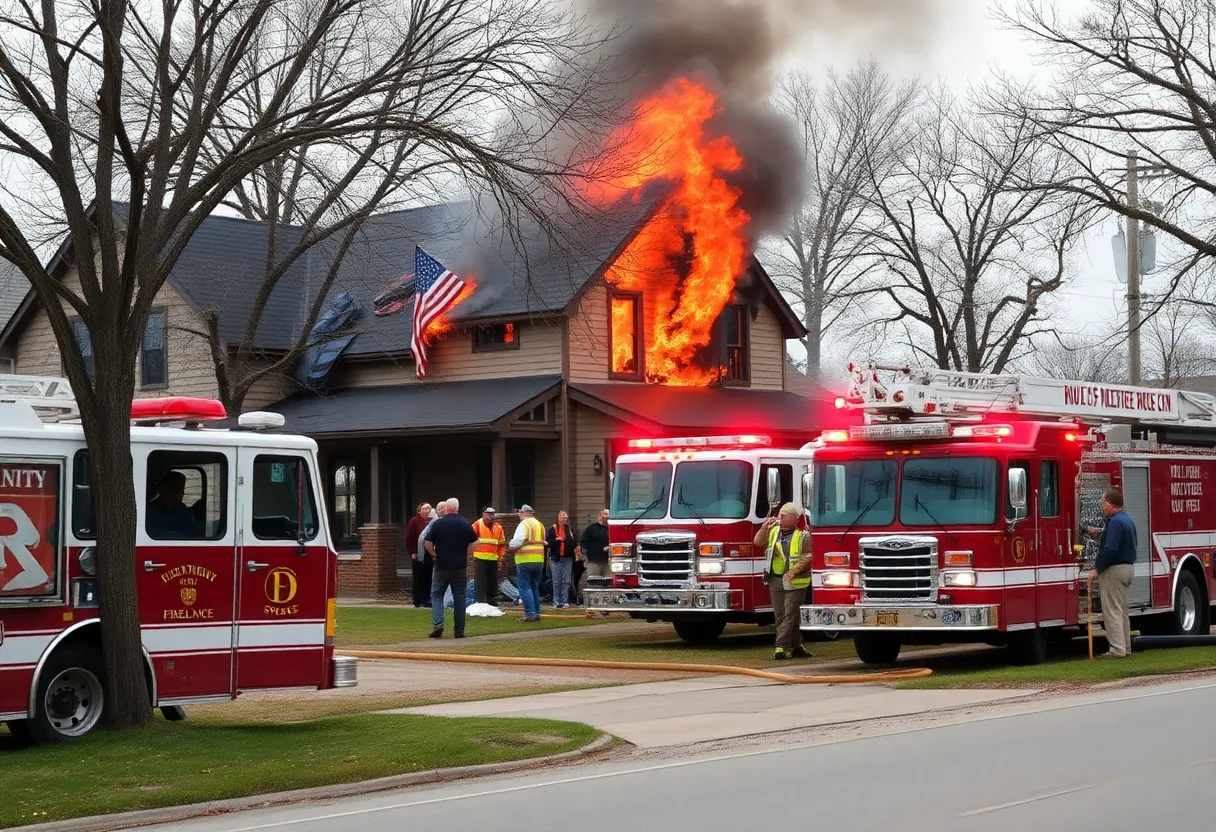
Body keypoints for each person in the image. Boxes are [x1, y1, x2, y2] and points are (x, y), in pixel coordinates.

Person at [753, 503, 812, 660]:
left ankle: (780, 646)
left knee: (790, 614)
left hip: (796, 581)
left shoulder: (803, 535)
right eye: (779, 515)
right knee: (780, 614)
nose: (780, 518)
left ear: (793, 519)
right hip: (775, 579)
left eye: (783, 516)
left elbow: (809, 556)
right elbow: (758, 542)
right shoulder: (773, 532)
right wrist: (764, 527)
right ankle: (796, 646)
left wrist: (794, 570)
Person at [1087, 488, 1137, 659]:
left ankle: (1116, 649)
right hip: (1127, 568)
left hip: (1114, 571)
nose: (1102, 507)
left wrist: (1096, 569)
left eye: (1103, 504)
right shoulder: (1127, 520)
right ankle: (1125, 647)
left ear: (1108, 504)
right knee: (1122, 610)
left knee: (1112, 611)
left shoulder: (1114, 522)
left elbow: (1110, 549)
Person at [425, 497, 477, 639]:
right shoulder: (465, 523)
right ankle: (459, 631)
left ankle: (438, 623)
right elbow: (476, 542)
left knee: (436, 595)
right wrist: (466, 553)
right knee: (460, 597)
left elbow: (427, 542)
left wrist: (433, 554)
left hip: (442, 565)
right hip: (460, 566)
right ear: (457, 509)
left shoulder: (438, 524)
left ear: (446, 508)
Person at [509, 504, 547, 622]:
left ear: (524, 513)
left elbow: (517, 541)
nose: (519, 515)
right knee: (534, 587)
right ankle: (536, 612)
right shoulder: (540, 525)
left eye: (520, 513)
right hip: (539, 560)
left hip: (525, 559)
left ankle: (530, 613)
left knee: (524, 587)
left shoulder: (524, 524)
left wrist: (510, 545)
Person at [147, 470, 200, 538]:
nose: (180, 495)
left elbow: (192, 532)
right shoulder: (150, 511)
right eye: (175, 489)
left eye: (182, 490)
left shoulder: (183, 511)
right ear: (163, 489)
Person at [472, 507, 507, 605]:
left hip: (493, 558)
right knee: (481, 581)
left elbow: (502, 545)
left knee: (492, 582)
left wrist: (500, 557)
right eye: (489, 514)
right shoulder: (477, 525)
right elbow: (470, 541)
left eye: (492, 514)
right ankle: (481, 601)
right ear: (483, 514)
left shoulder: (498, 527)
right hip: (480, 558)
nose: (491, 516)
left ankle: (491, 600)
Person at [546, 510, 577, 608]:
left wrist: (565, 541)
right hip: (556, 557)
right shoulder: (553, 528)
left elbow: (575, 542)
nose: (562, 518)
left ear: (567, 518)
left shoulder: (570, 529)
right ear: (558, 517)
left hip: (567, 557)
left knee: (566, 580)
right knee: (556, 580)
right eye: (560, 516)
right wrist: (557, 541)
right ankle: (556, 601)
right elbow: (548, 542)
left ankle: (565, 601)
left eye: (564, 516)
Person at [405, 503, 433, 608]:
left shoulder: (432, 522)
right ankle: (417, 599)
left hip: (429, 554)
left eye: (429, 509)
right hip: (418, 554)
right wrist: (412, 552)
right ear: (419, 511)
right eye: (425, 509)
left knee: (428, 577)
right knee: (418, 577)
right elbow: (409, 537)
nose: (427, 511)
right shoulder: (414, 521)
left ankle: (427, 599)